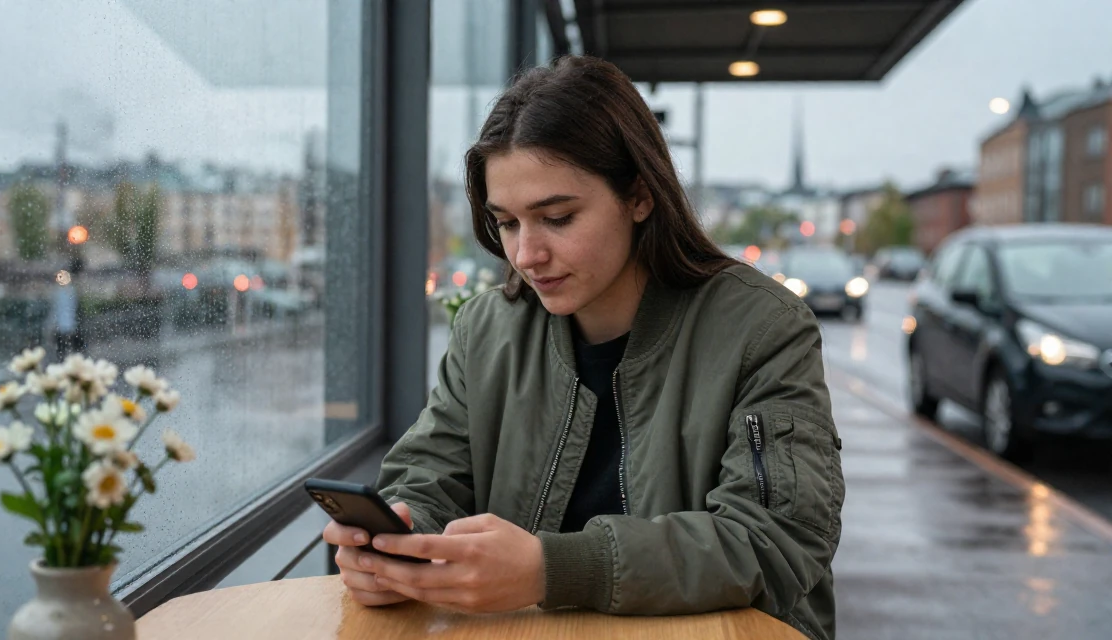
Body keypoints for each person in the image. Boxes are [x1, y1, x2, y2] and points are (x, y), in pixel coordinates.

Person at [323, 55, 844, 640]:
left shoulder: (763, 327)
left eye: (558, 218)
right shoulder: (488, 330)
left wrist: (554, 570)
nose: (525, 255)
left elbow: (775, 541)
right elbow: (428, 475)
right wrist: (394, 542)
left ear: (640, 196)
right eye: (508, 223)